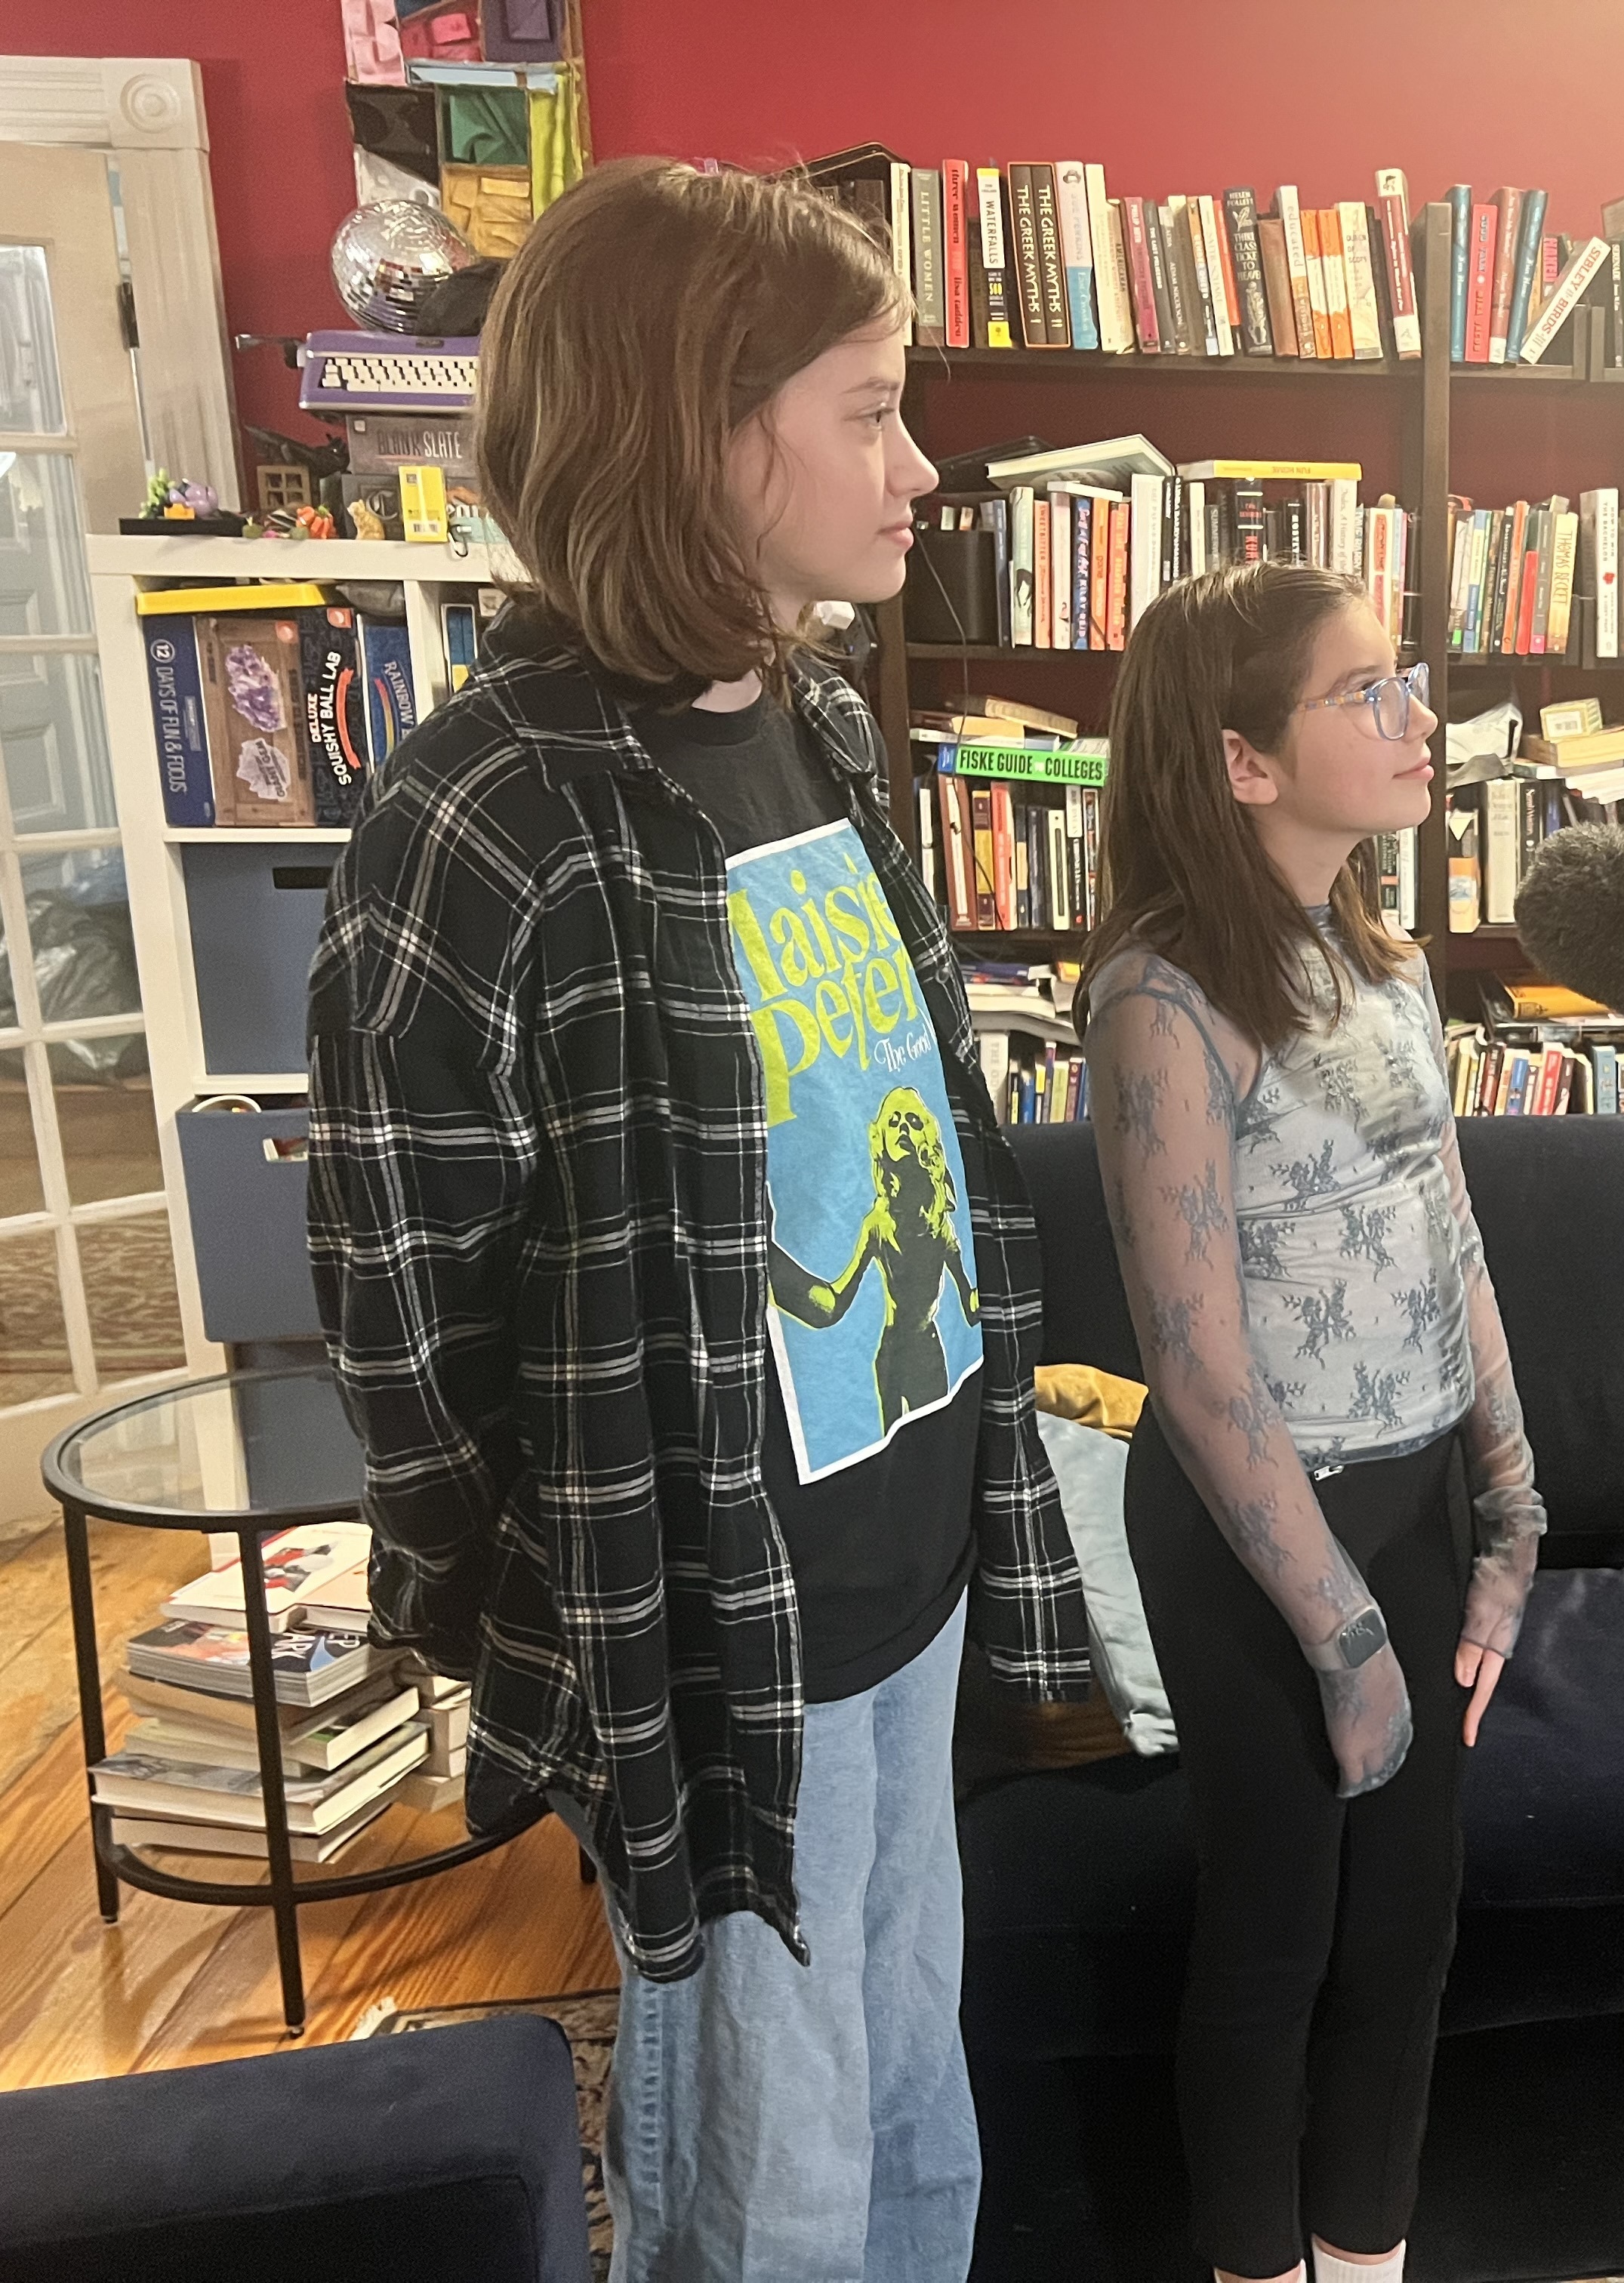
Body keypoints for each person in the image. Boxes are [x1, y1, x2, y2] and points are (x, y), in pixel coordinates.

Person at [307, 158, 1089, 2281]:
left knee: (919, 2114)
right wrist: (555, 1615)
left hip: (917, 1573)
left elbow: (921, 1132)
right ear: (693, 427)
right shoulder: (481, 810)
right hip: (721, 1653)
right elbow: (406, 1308)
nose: (920, 469)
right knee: (766, 2200)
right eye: (867, 408)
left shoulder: (831, 732)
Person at [1075, 561, 1545, 2283]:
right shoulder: (1157, 999)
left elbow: (1450, 1233)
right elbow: (1196, 1366)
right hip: (1249, 1536)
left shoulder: (1390, 963)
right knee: (1277, 1943)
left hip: (1415, 1499)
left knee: (1406, 1937)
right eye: (1367, 693)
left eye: (1403, 680)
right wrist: (1347, 1643)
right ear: (1245, 763)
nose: (1417, 720)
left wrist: (1509, 1499)